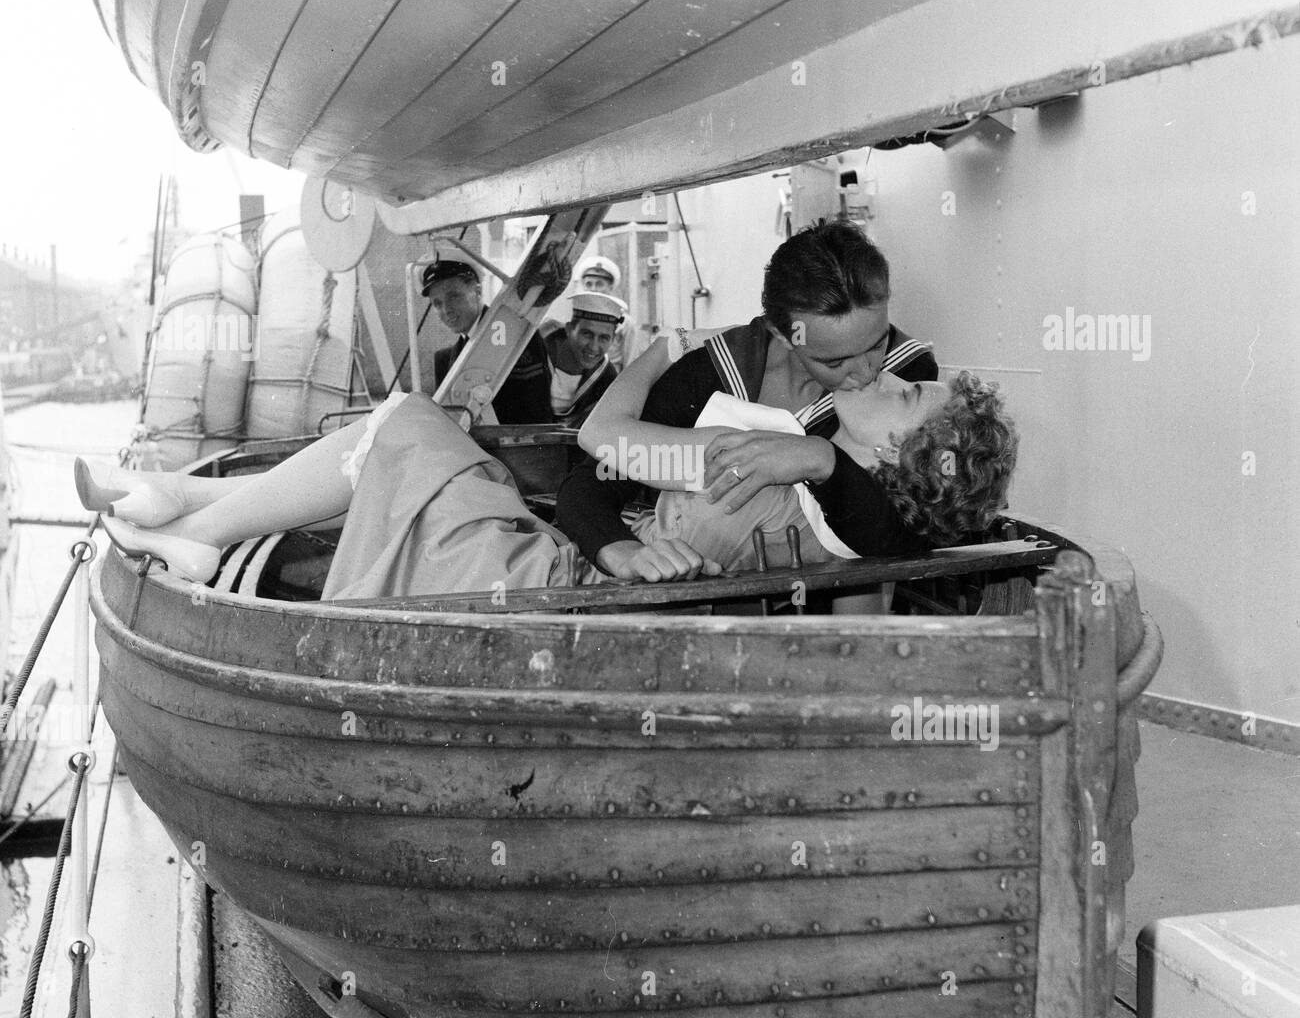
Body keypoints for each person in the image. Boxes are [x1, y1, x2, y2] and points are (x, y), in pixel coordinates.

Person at [72, 356, 1016, 596]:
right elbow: (902, 527)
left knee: (407, 420)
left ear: (899, 458)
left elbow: (604, 439)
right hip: (574, 581)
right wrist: (818, 452)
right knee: (410, 429)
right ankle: (186, 507)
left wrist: (652, 357)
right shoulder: (817, 493)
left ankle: (193, 531)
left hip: (543, 600)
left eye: (905, 402)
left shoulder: (769, 467)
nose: (889, 380)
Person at [554, 219, 943, 580]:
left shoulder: (906, 375)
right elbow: (596, 479)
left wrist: (822, 459)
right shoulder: (715, 372)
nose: (867, 372)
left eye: (878, 342)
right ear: (781, 333)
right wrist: (620, 550)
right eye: (835, 360)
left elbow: (924, 525)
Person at [424, 259, 550, 423]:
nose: (446, 309)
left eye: (453, 296)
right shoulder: (444, 360)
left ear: (477, 291)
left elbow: (537, 410)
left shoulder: (515, 333)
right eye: (437, 303)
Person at [543, 288, 626, 427]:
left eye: (604, 338)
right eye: (587, 334)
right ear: (569, 329)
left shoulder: (605, 375)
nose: (594, 347)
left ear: (613, 339)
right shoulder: (537, 355)